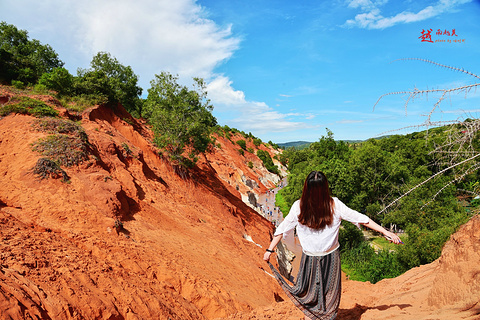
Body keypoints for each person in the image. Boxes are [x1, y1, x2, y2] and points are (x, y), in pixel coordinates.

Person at [263, 171, 402, 320]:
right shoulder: (318, 205)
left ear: (306, 188)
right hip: (326, 258)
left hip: (316, 257)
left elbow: (281, 229)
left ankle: (315, 317)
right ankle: (322, 317)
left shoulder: (307, 205)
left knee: (311, 292)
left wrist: (269, 250)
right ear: (325, 188)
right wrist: (385, 232)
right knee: (329, 292)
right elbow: (361, 218)